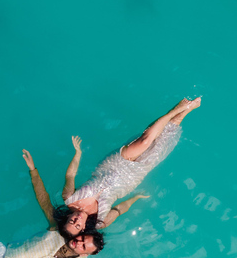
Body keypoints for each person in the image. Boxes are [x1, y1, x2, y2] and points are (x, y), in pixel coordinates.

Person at [53, 97, 201, 236]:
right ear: (83, 228)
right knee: (161, 143)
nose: (77, 220)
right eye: (78, 225)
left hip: (112, 166)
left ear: (67, 217)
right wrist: (136, 197)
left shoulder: (69, 197)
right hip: (128, 181)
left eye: (72, 221)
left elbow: (70, 175)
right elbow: (119, 209)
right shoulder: (101, 222)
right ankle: (186, 111)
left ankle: (177, 109)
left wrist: (78, 153)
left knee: (145, 141)